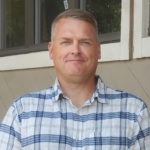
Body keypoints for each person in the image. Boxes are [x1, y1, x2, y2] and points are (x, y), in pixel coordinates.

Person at [0, 9, 150, 150]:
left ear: (98, 50)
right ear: (51, 51)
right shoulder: (22, 112)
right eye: (66, 42)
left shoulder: (134, 112)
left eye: (85, 42)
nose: (75, 50)